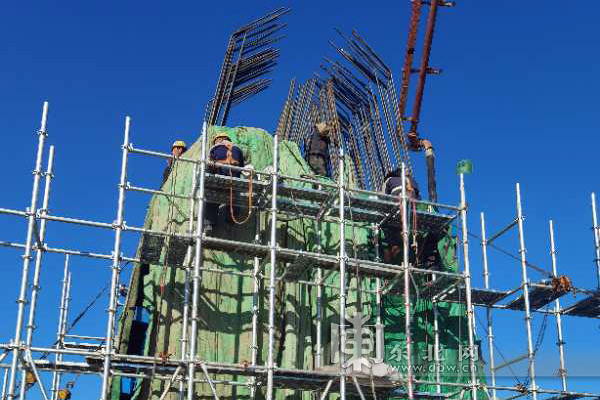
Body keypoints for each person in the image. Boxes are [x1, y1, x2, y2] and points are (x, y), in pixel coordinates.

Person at [204, 133, 245, 232]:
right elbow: (242, 167)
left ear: (219, 139)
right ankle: (230, 220)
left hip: (220, 177)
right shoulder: (237, 149)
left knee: (211, 200)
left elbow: (209, 164)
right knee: (234, 199)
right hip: (233, 180)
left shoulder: (214, 148)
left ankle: (209, 224)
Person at [381, 168, 420, 264]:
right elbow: (418, 199)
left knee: (386, 235)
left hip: (396, 211)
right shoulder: (412, 181)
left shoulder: (389, 180)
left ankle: (388, 262)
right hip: (410, 212)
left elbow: (382, 199)